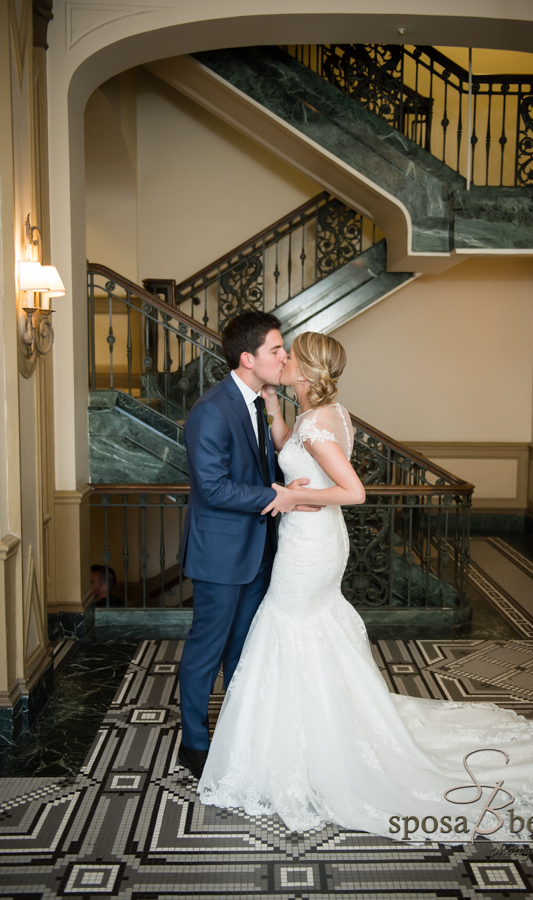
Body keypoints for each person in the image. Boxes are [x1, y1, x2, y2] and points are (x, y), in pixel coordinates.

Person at [197, 331, 533, 843]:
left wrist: (292, 499)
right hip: (315, 539)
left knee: (288, 625)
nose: (284, 360)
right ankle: (316, 730)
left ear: (309, 371)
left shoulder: (318, 425)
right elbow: (290, 449)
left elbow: (353, 491)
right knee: (307, 627)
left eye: (291, 356)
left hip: (309, 543)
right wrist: (275, 411)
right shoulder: (328, 414)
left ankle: (298, 746)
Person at [178, 311, 319, 781]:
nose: (284, 357)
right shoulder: (212, 410)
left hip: (259, 550)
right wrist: (276, 496)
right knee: (207, 650)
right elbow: (214, 487)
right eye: (277, 350)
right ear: (248, 357)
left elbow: (257, 468)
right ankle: (194, 744)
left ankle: (237, 738)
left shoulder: (260, 400)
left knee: (243, 650)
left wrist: (284, 481)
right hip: (220, 555)